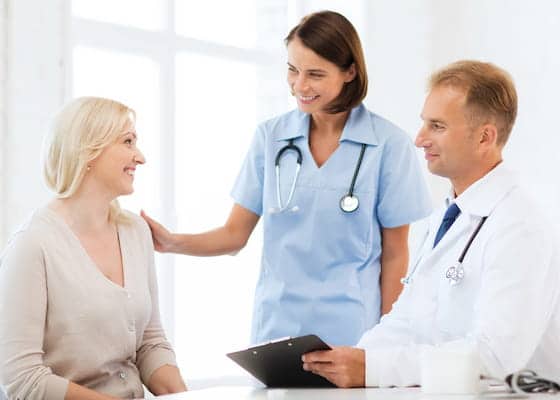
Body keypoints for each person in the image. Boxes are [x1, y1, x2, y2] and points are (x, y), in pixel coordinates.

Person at [141, 10, 431, 346]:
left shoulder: (388, 145)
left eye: (316, 74)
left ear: (350, 71)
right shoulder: (271, 137)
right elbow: (234, 235)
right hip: (277, 332)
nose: (300, 86)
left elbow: (396, 254)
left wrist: (386, 343)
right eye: (293, 70)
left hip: (353, 335)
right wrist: (172, 242)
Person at [301, 60, 560, 387]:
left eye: (437, 126)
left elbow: (495, 356)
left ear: (485, 137)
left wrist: (375, 369)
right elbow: (408, 320)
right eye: (424, 123)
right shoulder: (448, 216)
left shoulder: (520, 227)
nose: (419, 139)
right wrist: (348, 362)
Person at [0, 97, 187, 399]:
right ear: (88, 150)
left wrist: (183, 397)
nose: (140, 157)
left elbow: (150, 343)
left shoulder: (135, 231)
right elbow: (22, 379)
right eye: (128, 141)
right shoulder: (32, 244)